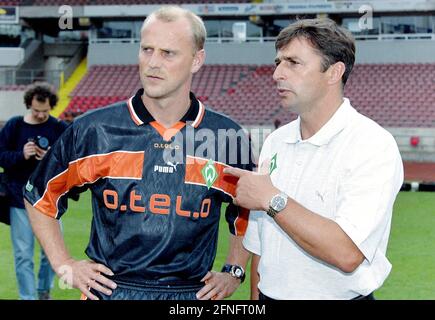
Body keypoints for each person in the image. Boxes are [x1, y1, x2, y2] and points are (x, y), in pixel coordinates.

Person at [23, 6, 253, 300]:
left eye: (168, 53)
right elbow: (39, 197)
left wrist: (234, 271)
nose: (153, 63)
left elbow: (247, 212)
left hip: (191, 294)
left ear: (197, 60)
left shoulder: (226, 137)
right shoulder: (95, 129)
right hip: (111, 290)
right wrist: (64, 265)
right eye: (147, 50)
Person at [224, 18, 404, 300]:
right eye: (278, 62)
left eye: (293, 63)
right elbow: (262, 250)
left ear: (334, 72)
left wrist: (272, 198)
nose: (277, 74)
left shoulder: (372, 144)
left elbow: (347, 253)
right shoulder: (276, 142)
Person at [0, 82, 68, 300]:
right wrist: (22, 155)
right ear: (29, 104)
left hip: (50, 199)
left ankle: (43, 291)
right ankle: (27, 297)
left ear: (52, 107)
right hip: (19, 199)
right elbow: (2, 157)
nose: (40, 115)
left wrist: (50, 158)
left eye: (45, 111)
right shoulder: (14, 126)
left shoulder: (59, 128)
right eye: (36, 110)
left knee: (52, 254)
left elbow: (72, 162)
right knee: (23, 256)